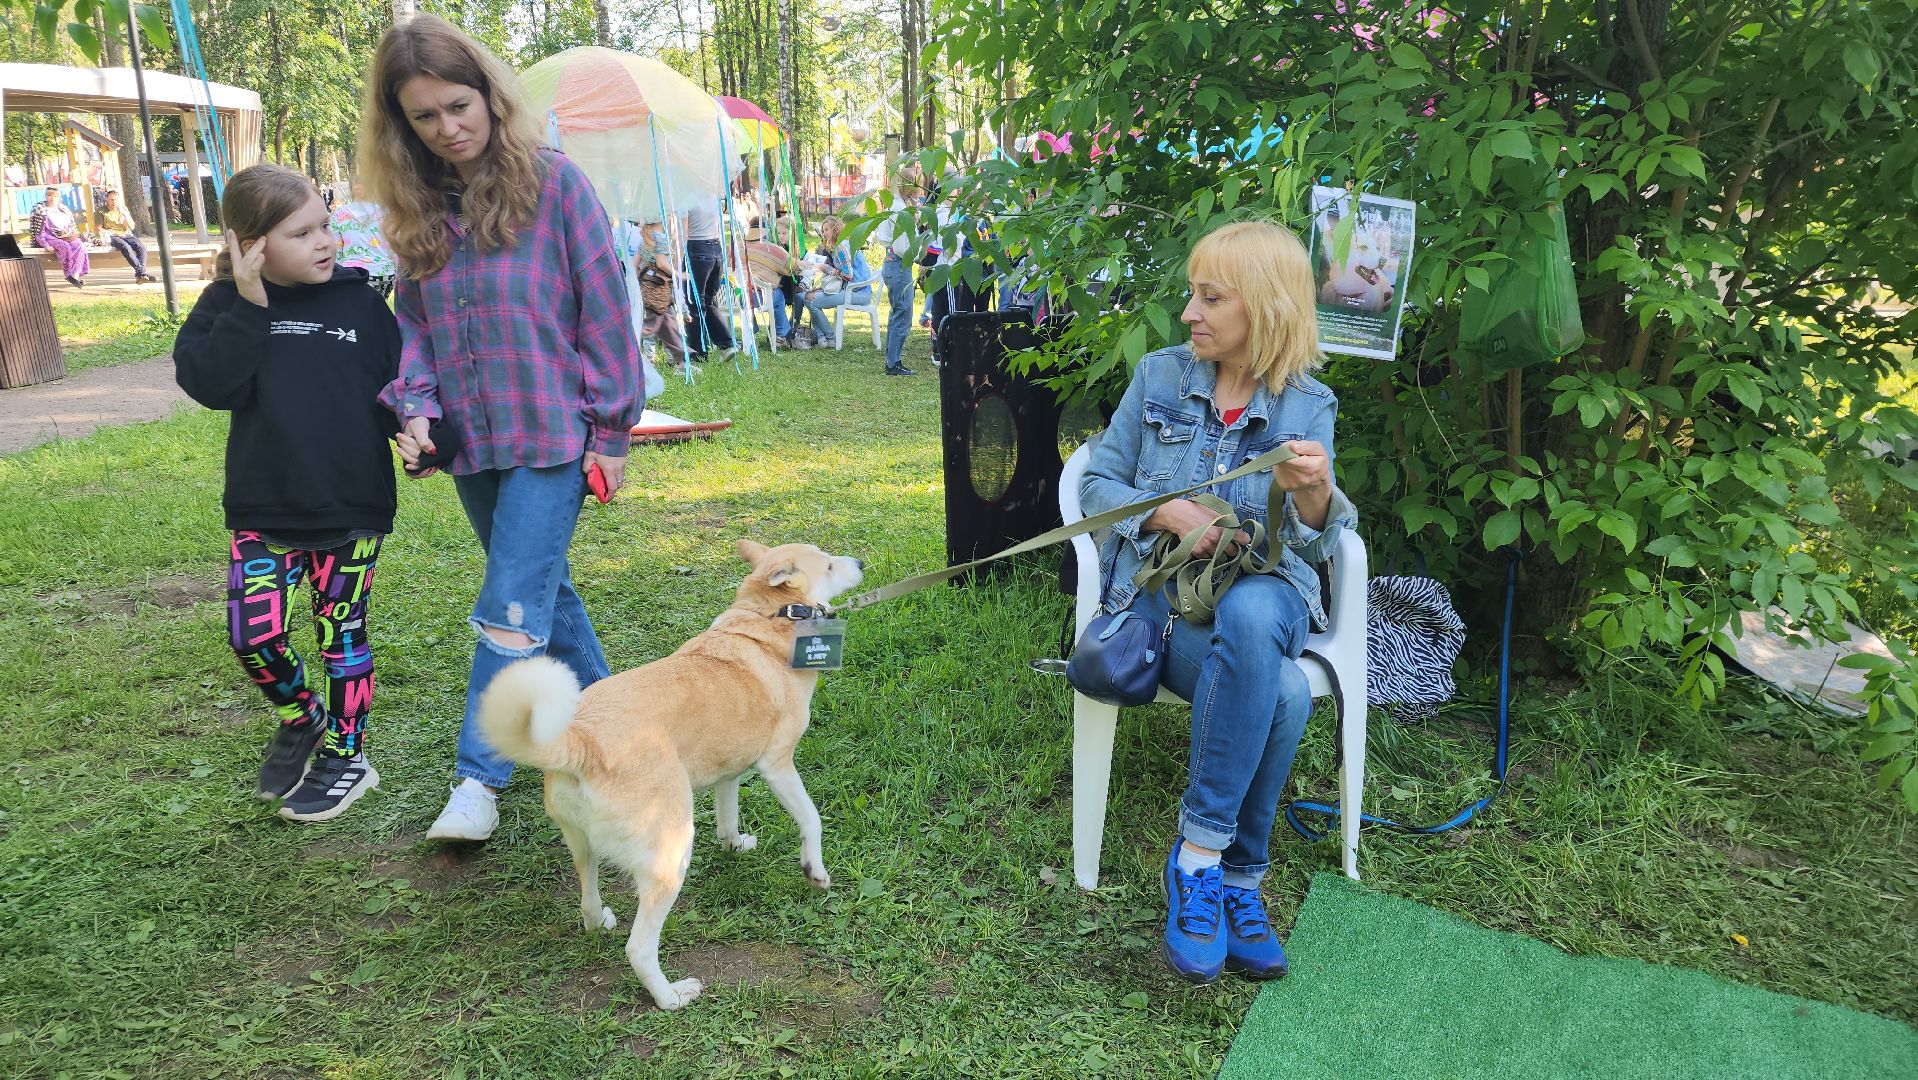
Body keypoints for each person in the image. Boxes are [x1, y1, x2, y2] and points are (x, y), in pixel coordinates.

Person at [361, 13, 644, 842]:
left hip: (554, 435)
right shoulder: (413, 212)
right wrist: (415, 407)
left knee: (510, 603)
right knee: (541, 593)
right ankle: (624, 726)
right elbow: (411, 326)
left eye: (459, 104)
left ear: (489, 95)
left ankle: (477, 780)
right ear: (401, 125)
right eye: (424, 115)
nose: (448, 128)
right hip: (472, 443)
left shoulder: (555, 186)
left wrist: (613, 435)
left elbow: (606, 314)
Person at [1079, 220, 1358, 985]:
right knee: (1291, 693)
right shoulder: (1161, 378)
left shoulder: (1309, 405)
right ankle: (1238, 878)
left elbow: (1315, 548)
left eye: (1210, 298)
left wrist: (1315, 498)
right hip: (1164, 612)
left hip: (1262, 605)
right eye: (1191, 296)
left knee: (1256, 610)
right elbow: (1098, 486)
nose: (1189, 314)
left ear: (1264, 308)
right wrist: (1170, 512)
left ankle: (1196, 856)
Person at [171, 164, 402, 822]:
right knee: (252, 636)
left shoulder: (360, 303)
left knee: (341, 634)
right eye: (302, 233)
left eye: (325, 224)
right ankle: (303, 716)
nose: (325, 241)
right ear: (252, 245)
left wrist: (423, 435)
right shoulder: (224, 305)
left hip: (352, 506)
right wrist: (249, 304)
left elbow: (394, 390)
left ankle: (348, 755)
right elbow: (212, 386)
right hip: (264, 506)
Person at [870, 162, 923, 376]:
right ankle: (893, 363)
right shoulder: (901, 211)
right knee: (903, 314)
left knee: (897, 313)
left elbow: (884, 238)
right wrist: (921, 253)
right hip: (900, 266)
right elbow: (903, 247)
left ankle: (893, 360)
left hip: (891, 264)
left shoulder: (895, 207)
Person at [801, 216, 873, 345]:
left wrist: (828, 269)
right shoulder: (845, 244)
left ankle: (829, 337)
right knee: (809, 296)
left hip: (857, 293)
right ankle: (822, 338)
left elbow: (848, 276)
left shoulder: (841, 248)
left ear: (836, 229)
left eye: (827, 230)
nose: (824, 233)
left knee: (810, 301)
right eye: (823, 231)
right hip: (855, 290)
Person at [330, 177, 398, 298]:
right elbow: (395, 245)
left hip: (352, 273)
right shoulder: (387, 212)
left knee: (355, 312)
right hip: (383, 272)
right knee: (380, 310)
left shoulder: (340, 214)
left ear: (353, 189)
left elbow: (337, 248)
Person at [684, 196, 733, 359]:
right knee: (708, 301)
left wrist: (678, 259)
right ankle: (726, 343)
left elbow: (684, 234)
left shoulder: (686, 199)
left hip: (696, 247)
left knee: (694, 301)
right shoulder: (712, 197)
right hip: (716, 248)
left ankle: (697, 351)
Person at [29, 186, 89, 288]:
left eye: (54, 195)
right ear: (46, 196)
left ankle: (75, 275)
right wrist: (45, 245)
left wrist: (72, 234)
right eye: (49, 195)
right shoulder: (40, 208)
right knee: (64, 246)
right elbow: (38, 231)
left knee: (80, 246)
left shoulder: (63, 209)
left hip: (65, 235)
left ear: (59, 197)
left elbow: (72, 226)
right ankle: (68, 274)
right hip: (48, 236)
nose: (52, 198)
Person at [97, 190, 154, 284]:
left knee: (141, 247)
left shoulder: (123, 209)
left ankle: (141, 275)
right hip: (111, 235)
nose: (114, 202)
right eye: (111, 200)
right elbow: (98, 228)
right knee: (126, 247)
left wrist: (125, 216)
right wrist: (114, 232)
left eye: (116, 200)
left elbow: (132, 226)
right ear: (107, 199)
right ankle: (142, 273)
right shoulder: (101, 211)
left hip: (125, 234)